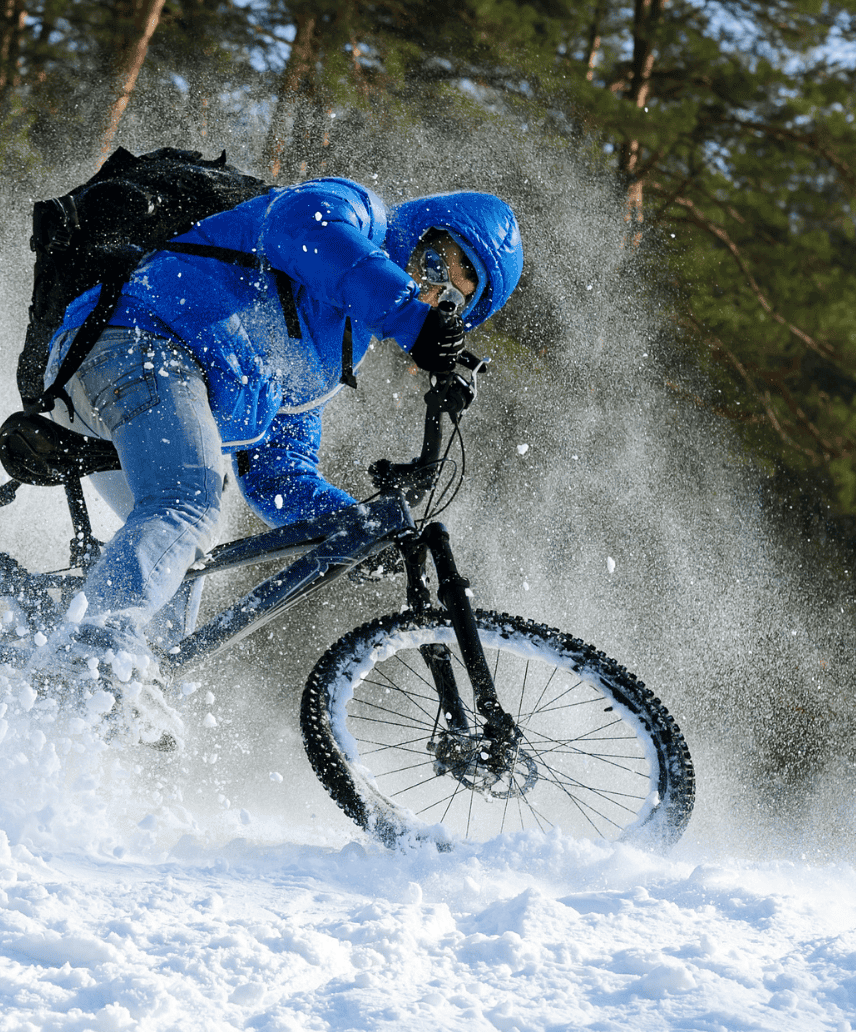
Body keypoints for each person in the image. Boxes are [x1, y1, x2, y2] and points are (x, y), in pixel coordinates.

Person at [34, 176, 523, 707]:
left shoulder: (331, 355)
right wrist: (408, 315)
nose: (427, 290)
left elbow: (279, 476)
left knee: (183, 559)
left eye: (447, 296)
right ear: (421, 227)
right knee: (188, 503)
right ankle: (95, 647)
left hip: (144, 387)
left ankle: (106, 701)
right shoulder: (350, 210)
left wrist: (355, 530)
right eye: (435, 264)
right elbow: (304, 233)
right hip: (134, 339)